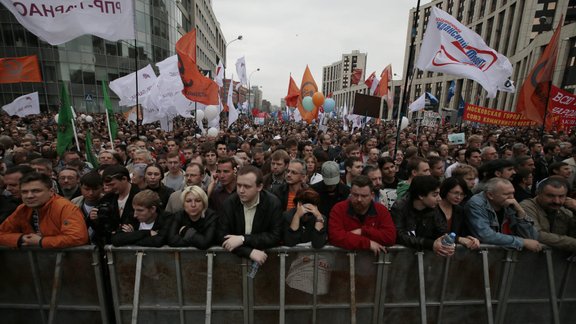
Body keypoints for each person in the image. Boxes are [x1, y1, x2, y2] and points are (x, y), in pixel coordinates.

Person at [0, 172, 89, 248]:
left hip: (66, 263)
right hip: (36, 263)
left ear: (51, 192)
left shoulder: (65, 207)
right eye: (24, 192)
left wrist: (41, 241)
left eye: (36, 191)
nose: (29, 196)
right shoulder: (22, 209)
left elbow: (78, 237)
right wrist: (21, 238)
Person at [218, 165, 283, 266]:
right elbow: (223, 236)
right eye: (239, 185)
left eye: (247, 186)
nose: (241, 190)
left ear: (259, 187)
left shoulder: (272, 203)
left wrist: (243, 239)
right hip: (234, 263)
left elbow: (275, 236)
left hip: (267, 262)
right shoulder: (229, 203)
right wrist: (249, 252)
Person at [465, 178, 542, 252]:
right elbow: (486, 235)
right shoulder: (476, 204)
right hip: (481, 256)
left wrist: (520, 212)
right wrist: (522, 242)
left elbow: (532, 238)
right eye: (506, 194)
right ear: (490, 195)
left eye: (513, 193)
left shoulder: (510, 205)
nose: (512, 197)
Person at [329, 175, 396, 255]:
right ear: (350, 192)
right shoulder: (339, 209)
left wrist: (363, 231)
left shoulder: (381, 210)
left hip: (373, 264)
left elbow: (390, 237)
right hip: (343, 263)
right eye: (355, 195)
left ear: (372, 195)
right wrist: (368, 243)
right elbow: (335, 237)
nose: (359, 199)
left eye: (364, 196)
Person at [391, 176, 456, 256]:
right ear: (421, 195)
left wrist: (446, 242)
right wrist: (430, 244)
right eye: (435, 195)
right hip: (401, 257)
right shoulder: (400, 207)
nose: (439, 199)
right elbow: (400, 236)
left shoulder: (433, 207)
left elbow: (442, 229)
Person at [520, 177, 576, 252]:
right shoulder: (526, 207)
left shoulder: (565, 211)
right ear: (538, 193)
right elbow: (536, 235)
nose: (557, 201)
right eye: (550, 196)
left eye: (561, 196)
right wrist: (573, 243)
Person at [438, 177, 480, 249]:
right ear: (446, 191)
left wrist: (470, 238)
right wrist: (459, 239)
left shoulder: (460, 210)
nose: (459, 197)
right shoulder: (433, 208)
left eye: (462, 194)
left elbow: (462, 232)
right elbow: (436, 233)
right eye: (455, 193)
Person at [71, 171, 104, 243]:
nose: (91, 193)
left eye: (95, 189)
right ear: (80, 187)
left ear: (102, 187)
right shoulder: (74, 203)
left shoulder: (109, 202)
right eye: (87, 189)